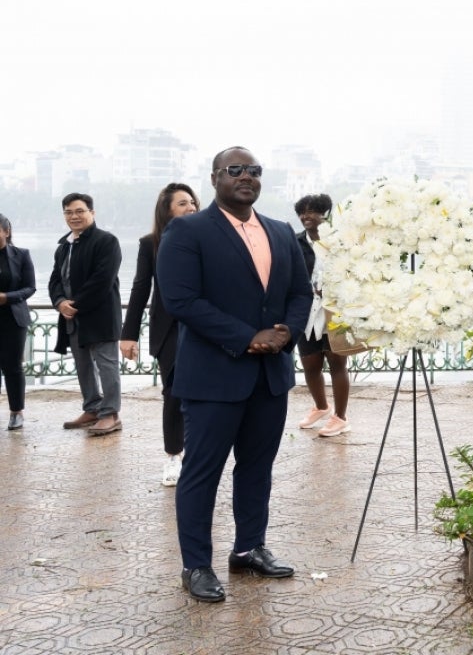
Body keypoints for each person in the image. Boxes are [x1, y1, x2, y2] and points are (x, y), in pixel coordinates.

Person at [156, 147, 312, 603]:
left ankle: (248, 548)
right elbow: (181, 300)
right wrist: (248, 337)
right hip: (214, 377)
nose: (246, 176)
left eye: (254, 170)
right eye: (235, 169)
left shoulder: (282, 232)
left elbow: (301, 292)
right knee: (201, 472)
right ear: (215, 178)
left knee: (257, 468)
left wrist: (287, 331)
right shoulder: (187, 231)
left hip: (270, 376)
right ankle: (196, 565)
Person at [119, 183, 199, 485]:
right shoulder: (150, 243)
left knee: (204, 394)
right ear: (167, 209)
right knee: (173, 393)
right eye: (182, 203)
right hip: (169, 330)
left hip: (204, 328)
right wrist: (128, 334)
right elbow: (141, 288)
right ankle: (173, 456)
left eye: (192, 202)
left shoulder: (208, 239)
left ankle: (199, 456)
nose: (190, 207)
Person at [48, 192, 124, 436]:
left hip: (99, 315)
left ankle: (110, 413)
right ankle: (92, 408)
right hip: (72, 317)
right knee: (83, 366)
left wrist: (75, 304)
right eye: (69, 212)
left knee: (107, 366)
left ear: (92, 212)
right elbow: (55, 280)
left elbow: (102, 280)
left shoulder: (106, 241)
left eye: (80, 211)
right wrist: (60, 302)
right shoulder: (64, 246)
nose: (74, 216)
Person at [293, 193, 352, 437]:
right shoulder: (295, 242)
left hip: (335, 309)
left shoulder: (340, 242)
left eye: (312, 211)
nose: (306, 216)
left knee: (337, 362)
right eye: (302, 212)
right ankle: (321, 407)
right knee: (310, 364)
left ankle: (340, 417)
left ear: (325, 214)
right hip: (306, 311)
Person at [0, 214, 36, 431]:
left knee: (12, 367)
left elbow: (30, 287)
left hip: (13, 319)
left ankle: (16, 412)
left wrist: (6, 297)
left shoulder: (21, 255)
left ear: (6, 231)